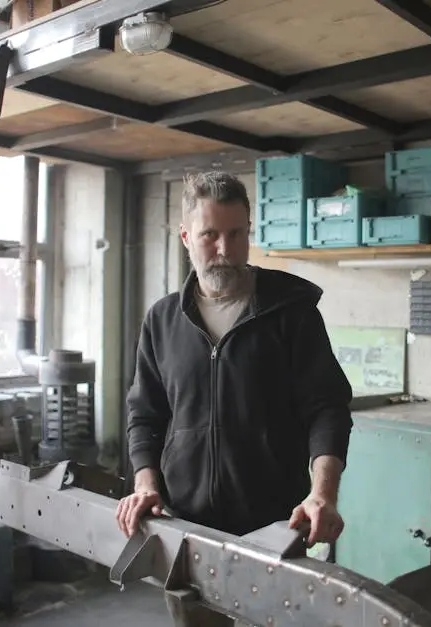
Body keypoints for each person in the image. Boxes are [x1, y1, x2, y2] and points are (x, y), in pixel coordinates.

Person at [116, 170, 354, 554]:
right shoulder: (162, 321)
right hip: (181, 525)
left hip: (275, 525)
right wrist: (145, 485)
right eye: (210, 235)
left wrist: (322, 494)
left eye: (236, 234)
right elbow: (145, 415)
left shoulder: (291, 311)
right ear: (185, 237)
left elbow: (327, 408)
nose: (224, 249)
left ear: (249, 232)